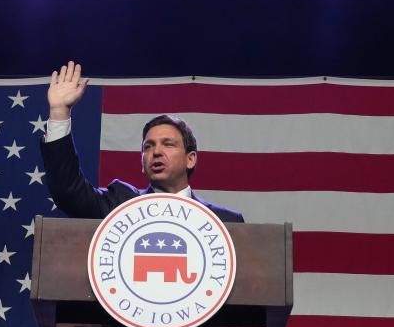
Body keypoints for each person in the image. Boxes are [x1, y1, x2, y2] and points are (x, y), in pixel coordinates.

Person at [39, 61, 244, 223]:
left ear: (190, 159)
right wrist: (59, 113)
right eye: (148, 146)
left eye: (168, 144)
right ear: (142, 161)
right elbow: (68, 191)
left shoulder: (224, 222)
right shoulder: (120, 204)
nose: (156, 151)